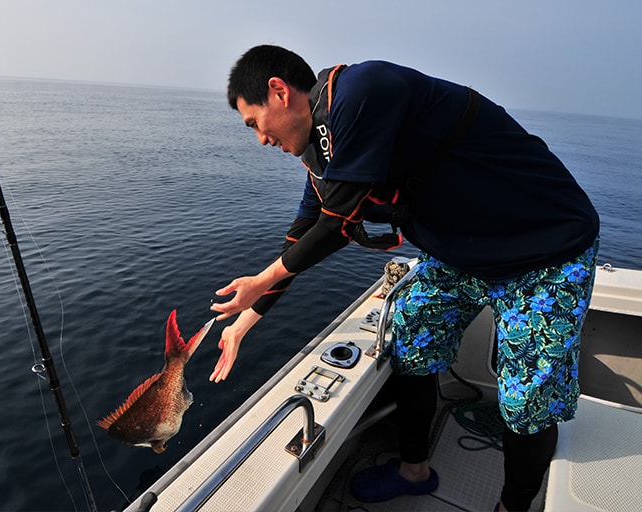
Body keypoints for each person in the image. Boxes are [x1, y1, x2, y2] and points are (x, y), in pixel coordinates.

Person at [209, 44, 600, 512]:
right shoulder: (322, 158)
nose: (260, 140)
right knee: (412, 333)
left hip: (545, 252)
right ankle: (414, 469)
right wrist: (244, 322)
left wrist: (260, 282)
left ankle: (512, 507)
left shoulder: (362, 90)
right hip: (465, 257)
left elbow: (335, 224)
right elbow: (301, 241)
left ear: (278, 92)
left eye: (255, 123)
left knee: (527, 401)